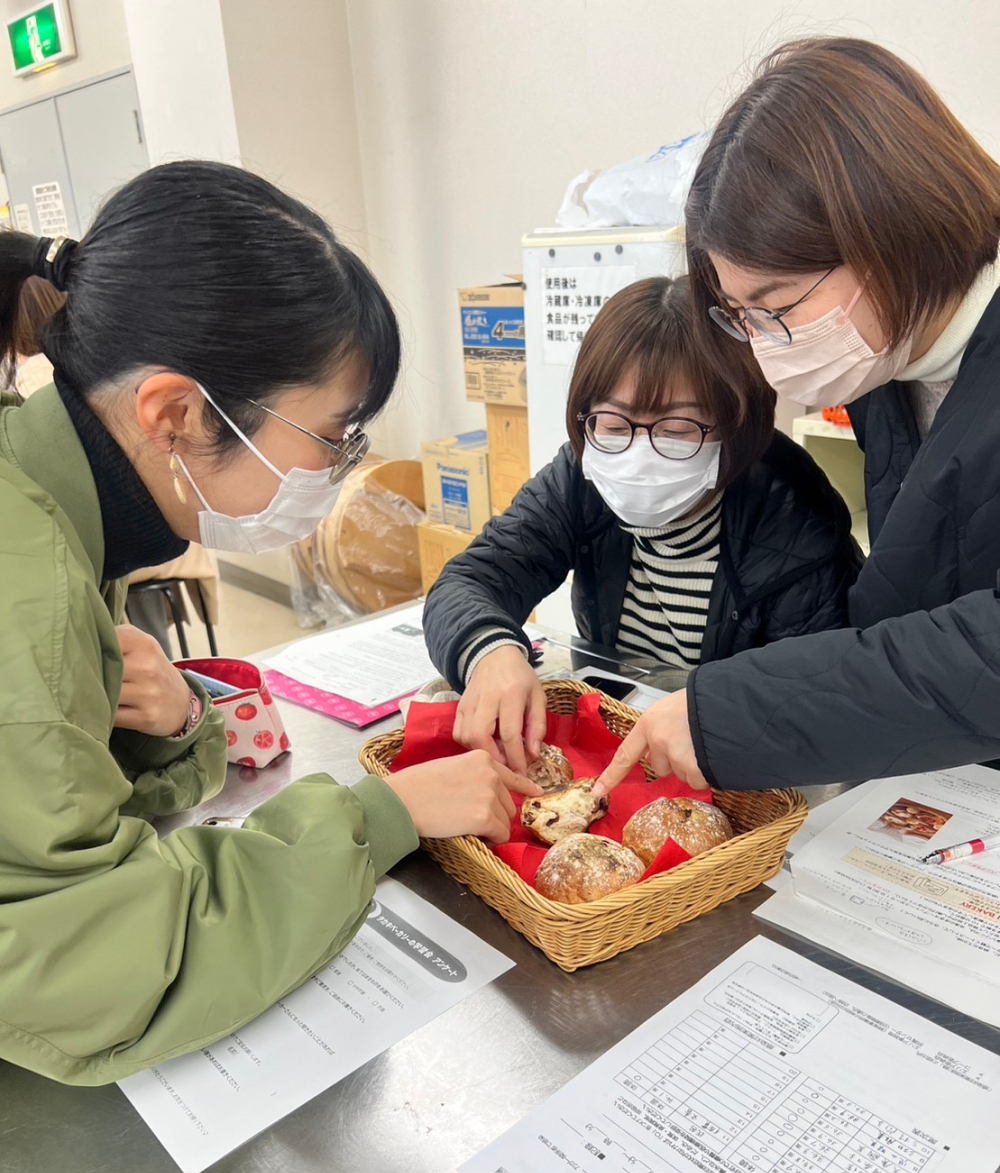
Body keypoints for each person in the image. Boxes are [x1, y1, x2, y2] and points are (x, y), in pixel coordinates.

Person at [0, 161, 536, 1087]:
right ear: (173, 412)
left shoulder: (56, 511)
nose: (338, 470)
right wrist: (381, 813)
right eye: (332, 436)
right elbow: (96, 969)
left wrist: (168, 729)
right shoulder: (30, 583)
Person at [595, 38, 1000, 800]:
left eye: (777, 308)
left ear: (891, 231)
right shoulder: (894, 349)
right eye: (740, 314)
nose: (764, 345)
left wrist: (733, 713)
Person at [423, 276, 861, 774]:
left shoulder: (792, 515)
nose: (638, 453)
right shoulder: (581, 477)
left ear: (739, 424)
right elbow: (470, 580)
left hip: (731, 770)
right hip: (615, 745)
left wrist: (712, 714)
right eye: (613, 424)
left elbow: (823, 690)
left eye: (678, 429)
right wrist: (490, 652)